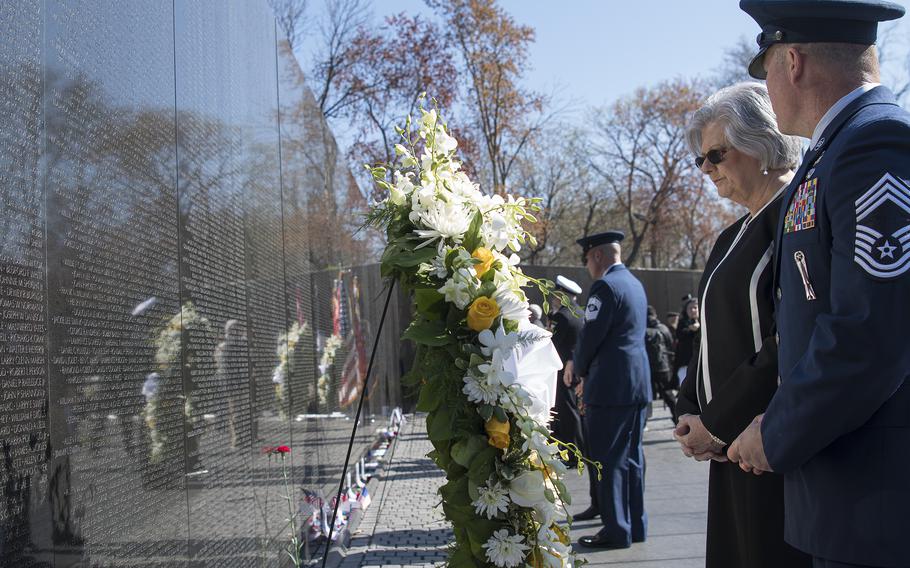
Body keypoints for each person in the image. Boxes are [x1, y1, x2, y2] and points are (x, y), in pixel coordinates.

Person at [728, 3, 910, 568]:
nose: (768, 88)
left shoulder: (875, 146)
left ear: (794, 62)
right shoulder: (837, 152)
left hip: (875, 504)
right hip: (845, 496)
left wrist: (777, 429)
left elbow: (869, 333)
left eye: (765, 72)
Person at [674, 82, 809, 568]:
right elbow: (710, 334)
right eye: (700, 160)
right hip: (724, 447)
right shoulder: (733, 233)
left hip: (765, 445)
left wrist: (719, 421)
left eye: (715, 154)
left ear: (763, 143)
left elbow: (788, 338)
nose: (706, 169)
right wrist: (691, 414)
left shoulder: (796, 217)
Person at [569, 230, 651, 549]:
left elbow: (591, 337)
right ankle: (635, 525)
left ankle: (616, 530)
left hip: (610, 388)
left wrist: (579, 369)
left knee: (607, 461)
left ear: (599, 256)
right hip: (636, 385)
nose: (587, 265)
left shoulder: (604, 286)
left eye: (588, 258)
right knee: (632, 460)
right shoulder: (634, 283)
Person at [548, 275, 585, 465]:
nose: (553, 298)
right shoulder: (579, 312)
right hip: (577, 367)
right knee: (574, 411)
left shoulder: (562, 316)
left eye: (556, 295)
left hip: (563, 371)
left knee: (567, 413)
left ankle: (573, 454)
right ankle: (579, 451)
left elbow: (551, 343)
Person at [644, 305, 676, 422]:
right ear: (655, 314)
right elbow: (670, 344)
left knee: (646, 395)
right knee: (668, 393)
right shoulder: (662, 328)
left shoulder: (641, 328)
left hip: (647, 367)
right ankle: (676, 418)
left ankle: (644, 422)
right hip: (663, 366)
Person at [673, 297, 699, 386]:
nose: (693, 310)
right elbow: (680, 335)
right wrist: (691, 329)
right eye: (690, 308)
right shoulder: (683, 323)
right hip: (686, 361)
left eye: (695, 307)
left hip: (700, 362)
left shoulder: (703, 321)